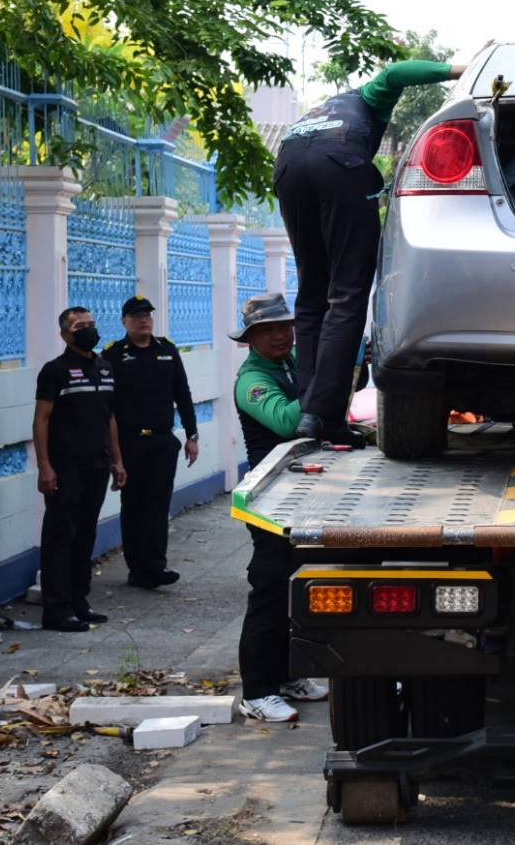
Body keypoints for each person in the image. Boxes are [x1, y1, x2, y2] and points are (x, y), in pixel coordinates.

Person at [275, 58, 466, 440]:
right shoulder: (366, 96)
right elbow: (395, 74)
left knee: (312, 296)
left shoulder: (320, 111)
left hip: (288, 167)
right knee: (346, 296)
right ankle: (324, 416)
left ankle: (309, 410)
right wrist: (458, 69)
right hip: (337, 163)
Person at [231, 293, 329, 722]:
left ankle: (288, 676)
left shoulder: (290, 365)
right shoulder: (252, 380)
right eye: (268, 330)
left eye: (285, 326)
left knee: (294, 587)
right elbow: (289, 422)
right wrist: (323, 379)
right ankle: (257, 692)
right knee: (269, 587)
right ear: (250, 338)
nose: (280, 335)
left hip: (299, 494)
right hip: (269, 500)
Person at [32, 307, 127, 632]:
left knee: (86, 534)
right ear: (65, 335)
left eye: (91, 324)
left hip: (97, 465)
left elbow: (110, 417)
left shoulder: (105, 367)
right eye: (79, 326)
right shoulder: (54, 371)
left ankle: (78, 601)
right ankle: (56, 609)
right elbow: (41, 420)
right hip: (65, 468)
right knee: (61, 536)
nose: (88, 330)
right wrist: (45, 467)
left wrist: (117, 460)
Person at [103, 295, 199, 590]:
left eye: (147, 315)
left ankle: (156, 566)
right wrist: (114, 454)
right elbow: (107, 407)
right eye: (136, 316)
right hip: (130, 443)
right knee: (134, 506)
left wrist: (192, 435)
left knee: (158, 505)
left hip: (161, 441)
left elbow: (182, 393)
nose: (143, 320)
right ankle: (138, 568)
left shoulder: (167, 350)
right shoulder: (113, 355)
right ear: (125, 322)